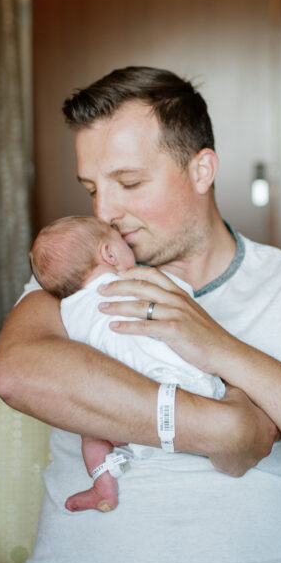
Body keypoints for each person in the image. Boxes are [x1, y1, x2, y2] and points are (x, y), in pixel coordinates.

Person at [0, 66, 281, 563]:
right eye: (91, 189)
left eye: (128, 182)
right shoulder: (80, 279)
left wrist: (218, 347)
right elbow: (19, 374)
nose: (105, 212)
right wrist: (224, 429)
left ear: (202, 170)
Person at [29, 214, 225, 514]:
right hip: (185, 390)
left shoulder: (66, 312)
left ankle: (102, 482)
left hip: (121, 412)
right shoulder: (137, 280)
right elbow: (185, 306)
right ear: (109, 254)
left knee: (89, 430)